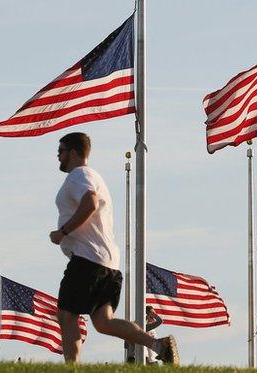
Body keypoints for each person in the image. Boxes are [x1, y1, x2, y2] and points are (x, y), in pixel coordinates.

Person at [49, 132, 178, 364]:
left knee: (66, 315)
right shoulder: (91, 176)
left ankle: (71, 368)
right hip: (107, 262)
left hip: (87, 259)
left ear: (74, 152)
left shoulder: (80, 175)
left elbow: (90, 202)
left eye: (61, 151)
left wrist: (63, 232)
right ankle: (158, 345)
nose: (58, 156)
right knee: (103, 321)